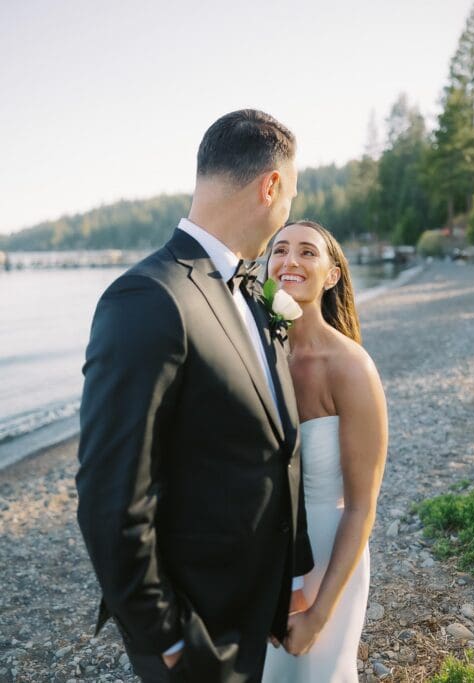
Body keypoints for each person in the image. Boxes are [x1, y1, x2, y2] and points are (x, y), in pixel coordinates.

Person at [76, 109, 314, 682]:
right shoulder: (148, 296)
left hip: (256, 607)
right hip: (197, 633)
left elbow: (274, 444)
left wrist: (293, 578)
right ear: (272, 185)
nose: (287, 213)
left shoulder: (255, 294)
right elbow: (111, 497)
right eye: (290, 195)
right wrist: (170, 639)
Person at [261, 220, 388, 683]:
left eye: (307, 252)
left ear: (332, 275)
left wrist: (317, 614)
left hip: (328, 561)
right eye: (280, 250)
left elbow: (361, 507)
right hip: (265, 560)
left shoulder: (351, 367)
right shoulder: (259, 356)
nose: (290, 261)